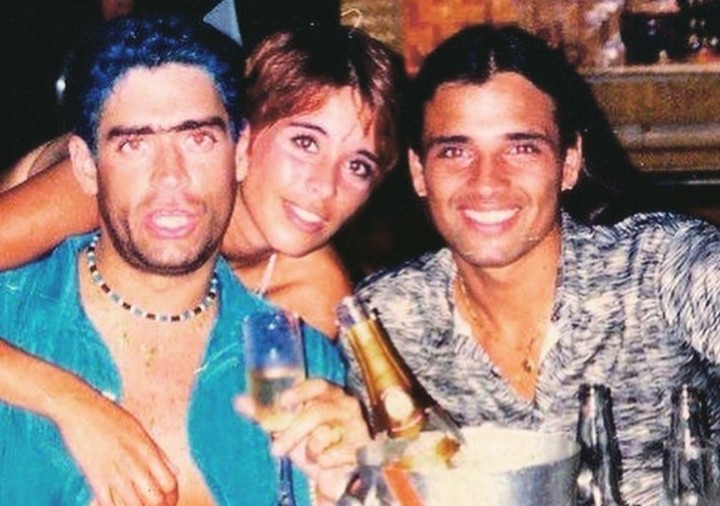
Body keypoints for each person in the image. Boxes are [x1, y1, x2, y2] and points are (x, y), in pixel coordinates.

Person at [342, 23, 720, 505]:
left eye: (521, 148)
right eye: (455, 151)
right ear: (419, 172)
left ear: (568, 163)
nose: (487, 182)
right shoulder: (387, 321)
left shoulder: (661, 266)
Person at [0, 14, 369, 505]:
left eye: (198, 139)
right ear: (87, 166)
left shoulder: (300, 359)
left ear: (241, 153)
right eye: (134, 144)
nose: (170, 176)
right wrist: (66, 400)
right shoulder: (16, 316)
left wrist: (356, 491)